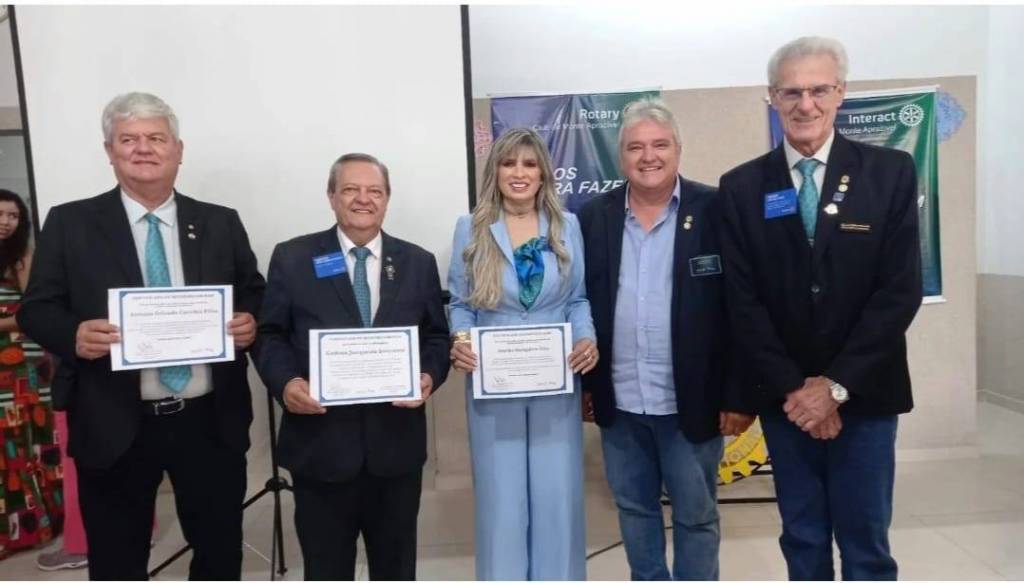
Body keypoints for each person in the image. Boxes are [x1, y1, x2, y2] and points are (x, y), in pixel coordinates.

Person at [17, 92, 266, 580]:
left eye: (156, 137)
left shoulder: (219, 221)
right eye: (128, 139)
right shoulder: (70, 222)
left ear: (178, 149)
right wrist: (72, 333)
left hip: (209, 420)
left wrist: (249, 321)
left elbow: (253, 291)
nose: (143, 148)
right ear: (109, 151)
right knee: (117, 560)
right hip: (113, 421)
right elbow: (36, 309)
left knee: (219, 554)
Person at [718, 36, 922, 581]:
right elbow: (742, 301)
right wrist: (797, 389)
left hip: (866, 392)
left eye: (818, 90)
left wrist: (833, 387)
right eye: (791, 92)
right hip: (786, 403)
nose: (804, 104)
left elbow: (899, 291)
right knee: (803, 537)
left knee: (866, 543)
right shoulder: (741, 187)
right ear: (772, 97)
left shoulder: (890, 171)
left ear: (840, 93)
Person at [576, 97, 754, 581]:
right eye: (635, 147)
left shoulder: (716, 210)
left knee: (696, 516)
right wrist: (588, 386)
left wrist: (739, 394)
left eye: (659, 145)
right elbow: (581, 304)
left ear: (678, 149)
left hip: (692, 402)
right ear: (620, 156)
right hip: (620, 401)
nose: (648, 156)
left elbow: (742, 309)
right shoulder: (593, 218)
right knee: (635, 510)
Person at [253, 153, 449, 581]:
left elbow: (436, 337)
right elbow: (270, 335)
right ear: (331, 196)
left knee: (396, 570)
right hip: (320, 447)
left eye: (374, 191)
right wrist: (287, 384)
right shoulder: (293, 258)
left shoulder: (418, 262)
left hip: (395, 449)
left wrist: (429, 376)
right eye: (350, 190)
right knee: (326, 570)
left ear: (387, 198)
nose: (363, 199)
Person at [448, 128, 597, 580]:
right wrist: (461, 341)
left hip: (556, 377)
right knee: (501, 500)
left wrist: (586, 339)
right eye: (509, 163)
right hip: (494, 381)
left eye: (529, 164)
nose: (519, 173)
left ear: (543, 173)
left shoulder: (567, 225)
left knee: (557, 495)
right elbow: (460, 303)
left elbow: (578, 299)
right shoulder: (470, 227)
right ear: (494, 171)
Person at [0, 190, 62, 560]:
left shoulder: (23, 256)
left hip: (22, 361)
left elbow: (31, 311)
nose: (6, 222)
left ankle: (36, 523)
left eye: (13, 216)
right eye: (0, 214)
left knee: (24, 438)